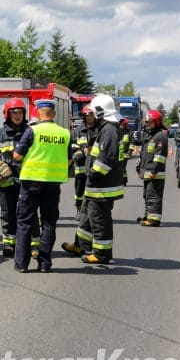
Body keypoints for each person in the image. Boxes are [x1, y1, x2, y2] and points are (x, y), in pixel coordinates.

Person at [12, 100, 72, 272]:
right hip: (53, 184)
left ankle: (22, 264)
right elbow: (68, 160)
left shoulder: (32, 131)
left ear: (38, 113)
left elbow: (17, 155)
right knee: (49, 223)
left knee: (25, 223)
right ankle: (45, 263)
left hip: (31, 182)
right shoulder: (64, 133)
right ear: (53, 114)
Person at [0, 98, 39, 258]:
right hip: (7, 182)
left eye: (20, 112)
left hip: (27, 182)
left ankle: (34, 245)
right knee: (8, 214)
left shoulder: (31, 132)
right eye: (14, 112)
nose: (17, 115)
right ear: (7, 114)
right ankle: (10, 244)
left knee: (30, 213)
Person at [78, 94, 126, 265]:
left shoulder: (109, 130)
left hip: (101, 186)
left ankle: (102, 254)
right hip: (97, 186)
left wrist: (92, 174)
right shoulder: (107, 128)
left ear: (99, 111)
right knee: (87, 215)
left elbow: (106, 159)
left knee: (99, 219)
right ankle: (83, 246)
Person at [60, 105, 96, 257]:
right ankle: (78, 210)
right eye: (86, 115)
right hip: (80, 168)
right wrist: (81, 149)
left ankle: (85, 244)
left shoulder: (99, 130)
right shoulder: (78, 130)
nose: (88, 117)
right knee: (79, 192)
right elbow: (72, 145)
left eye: (91, 115)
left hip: (94, 170)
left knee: (90, 201)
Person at [136, 110, 168, 227]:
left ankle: (154, 220)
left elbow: (160, 157)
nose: (147, 125)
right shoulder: (149, 136)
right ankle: (148, 216)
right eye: (147, 122)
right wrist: (139, 167)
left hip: (155, 173)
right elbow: (143, 154)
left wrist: (154, 171)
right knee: (147, 195)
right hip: (147, 171)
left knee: (153, 196)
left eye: (150, 123)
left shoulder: (160, 136)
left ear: (157, 123)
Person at [119, 118, 131, 187]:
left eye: (123, 124)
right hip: (117, 153)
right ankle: (120, 180)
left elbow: (132, 142)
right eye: (121, 124)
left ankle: (124, 181)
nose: (121, 125)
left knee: (123, 168)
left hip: (125, 153)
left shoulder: (128, 132)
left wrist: (130, 151)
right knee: (119, 168)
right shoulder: (117, 131)